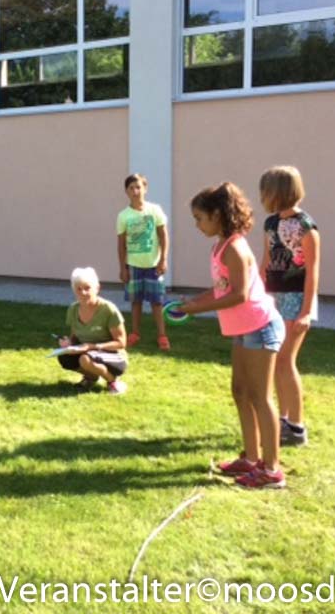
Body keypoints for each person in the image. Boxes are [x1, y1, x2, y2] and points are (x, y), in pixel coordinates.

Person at [177, 183, 286, 489]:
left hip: (260, 327)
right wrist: (193, 302)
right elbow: (221, 289)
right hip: (243, 329)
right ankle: (251, 458)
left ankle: (272, 470)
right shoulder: (220, 247)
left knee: (260, 396)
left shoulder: (236, 249)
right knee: (240, 391)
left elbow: (238, 295)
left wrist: (198, 310)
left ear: (217, 215)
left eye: (199, 218)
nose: (197, 225)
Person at [259, 166, 320, 447]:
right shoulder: (270, 224)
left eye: (265, 190)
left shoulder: (306, 226)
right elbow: (267, 261)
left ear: (278, 191)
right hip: (274, 297)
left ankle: (296, 427)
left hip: (297, 299)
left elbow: (312, 272)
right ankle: (283, 419)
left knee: (285, 360)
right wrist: (257, 294)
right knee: (275, 360)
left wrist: (306, 311)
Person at [116, 173, 171, 351]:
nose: (135, 191)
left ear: (145, 189)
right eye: (131, 188)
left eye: (138, 187)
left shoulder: (155, 210)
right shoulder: (123, 216)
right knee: (136, 301)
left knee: (156, 301)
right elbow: (121, 244)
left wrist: (163, 259)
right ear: (126, 191)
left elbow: (163, 236)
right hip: (133, 265)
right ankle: (135, 333)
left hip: (153, 265)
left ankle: (162, 335)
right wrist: (123, 268)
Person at [57, 267, 129, 395]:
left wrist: (92, 346)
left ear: (97, 288)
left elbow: (121, 343)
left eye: (87, 288)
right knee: (65, 357)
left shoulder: (108, 309)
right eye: (78, 289)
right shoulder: (73, 309)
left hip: (115, 356)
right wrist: (68, 342)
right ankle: (91, 376)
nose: (83, 292)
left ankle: (113, 381)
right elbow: (74, 335)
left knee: (85, 359)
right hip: (88, 352)